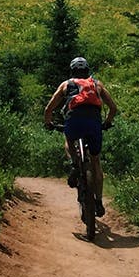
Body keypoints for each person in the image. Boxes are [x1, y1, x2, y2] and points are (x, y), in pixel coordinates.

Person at [44, 56, 117, 217]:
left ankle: (75, 164)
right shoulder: (97, 84)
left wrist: (49, 123)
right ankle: (98, 201)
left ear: (72, 71)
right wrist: (107, 123)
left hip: (74, 121)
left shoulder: (66, 84)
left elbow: (48, 108)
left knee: (68, 139)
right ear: (87, 71)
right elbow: (113, 108)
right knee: (96, 160)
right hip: (94, 123)